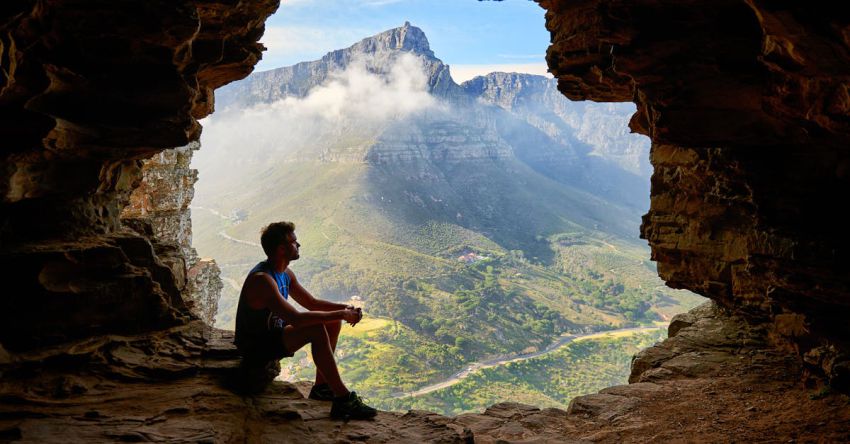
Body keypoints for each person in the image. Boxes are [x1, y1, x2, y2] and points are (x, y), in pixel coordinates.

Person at [234, 221, 377, 420]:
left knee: (331, 322)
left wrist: (344, 309)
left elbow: (311, 302)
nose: (298, 245)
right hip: (256, 345)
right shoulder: (262, 280)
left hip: (273, 336)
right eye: (294, 242)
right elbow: (297, 319)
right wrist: (342, 314)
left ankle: (322, 388)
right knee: (316, 329)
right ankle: (343, 399)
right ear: (282, 249)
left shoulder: (284, 273)